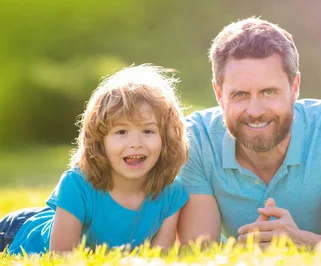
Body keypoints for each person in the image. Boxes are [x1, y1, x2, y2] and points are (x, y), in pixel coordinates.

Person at [176, 17, 321, 248]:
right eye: (240, 94)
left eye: (269, 92)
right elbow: (198, 249)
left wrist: (300, 242)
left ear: (295, 87)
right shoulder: (195, 138)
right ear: (218, 93)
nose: (255, 111)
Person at [0, 64, 189, 255]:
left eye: (148, 131)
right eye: (121, 132)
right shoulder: (77, 183)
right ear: (100, 141)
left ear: (166, 139)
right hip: (13, 233)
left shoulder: (171, 192)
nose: (135, 143)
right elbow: (62, 255)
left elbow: (159, 257)